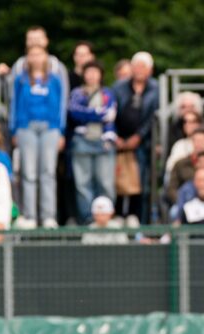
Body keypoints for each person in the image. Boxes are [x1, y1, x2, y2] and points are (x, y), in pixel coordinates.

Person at [10, 45, 64, 229]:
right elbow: (14, 105)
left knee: (48, 172)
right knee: (28, 173)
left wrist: (60, 130)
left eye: (39, 54)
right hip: (26, 128)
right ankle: (30, 216)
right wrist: (14, 129)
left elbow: (60, 105)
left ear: (46, 57)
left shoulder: (54, 80)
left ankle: (49, 216)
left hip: (50, 128)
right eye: (31, 54)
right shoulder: (21, 80)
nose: (35, 58)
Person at [68, 60, 118, 225]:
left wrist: (89, 114)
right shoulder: (77, 93)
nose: (91, 75)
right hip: (82, 142)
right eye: (88, 72)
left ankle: (107, 218)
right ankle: (88, 220)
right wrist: (96, 113)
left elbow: (110, 114)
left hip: (104, 143)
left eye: (95, 72)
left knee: (105, 182)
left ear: (101, 75)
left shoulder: (107, 93)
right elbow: (75, 112)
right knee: (83, 184)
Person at [113, 51, 160, 223]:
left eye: (143, 66)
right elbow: (111, 111)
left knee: (141, 183)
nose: (139, 70)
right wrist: (115, 135)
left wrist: (139, 136)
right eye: (136, 66)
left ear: (150, 70)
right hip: (119, 141)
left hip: (143, 143)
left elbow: (153, 117)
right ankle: (117, 216)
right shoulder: (119, 87)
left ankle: (139, 219)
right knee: (117, 180)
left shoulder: (156, 89)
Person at [0, 25, 70, 112]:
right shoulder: (18, 66)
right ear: (26, 42)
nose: (34, 42)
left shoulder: (57, 67)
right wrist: (3, 78)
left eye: (38, 38)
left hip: (52, 121)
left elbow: (64, 98)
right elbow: (10, 96)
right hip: (24, 121)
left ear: (46, 40)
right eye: (31, 39)